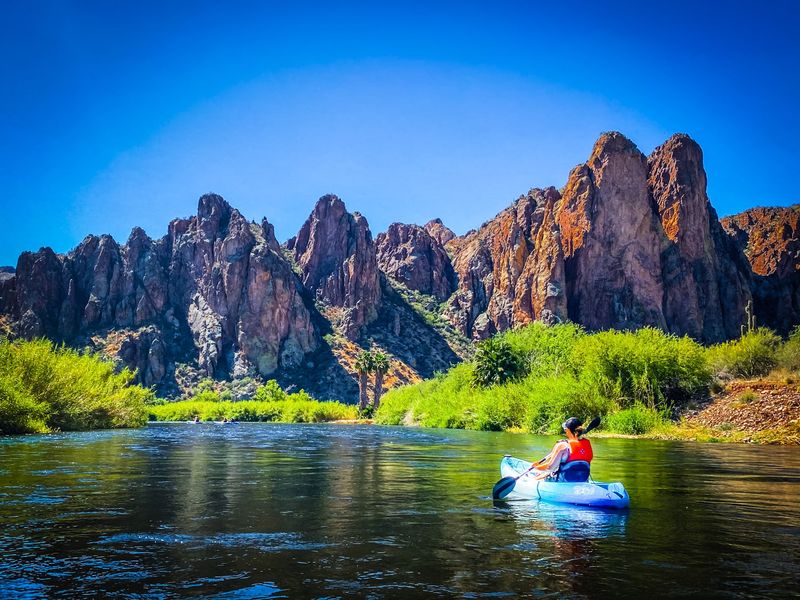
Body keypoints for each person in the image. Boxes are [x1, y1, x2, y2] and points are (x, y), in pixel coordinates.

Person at [531, 417, 593, 481]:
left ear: (567, 430)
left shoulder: (562, 445)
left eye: (565, 430)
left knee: (543, 475)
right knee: (548, 473)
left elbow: (550, 468)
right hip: (582, 481)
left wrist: (537, 467)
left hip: (564, 482)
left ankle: (534, 479)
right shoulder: (587, 443)